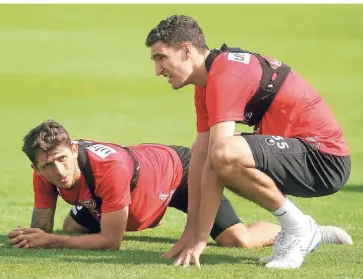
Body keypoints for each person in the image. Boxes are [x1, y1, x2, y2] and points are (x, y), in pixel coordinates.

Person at [144, 15, 352, 269]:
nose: (157, 70)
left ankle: (299, 229)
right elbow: (200, 159)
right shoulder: (207, 82)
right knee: (205, 149)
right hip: (299, 151)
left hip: (324, 159)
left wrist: (200, 239)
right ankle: (302, 228)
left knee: (224, 153)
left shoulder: (225, 75)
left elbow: (218, 157)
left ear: (186, 50)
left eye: (161, 57)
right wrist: (190, 232)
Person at [6, 120, 351, 251]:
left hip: (179, 174)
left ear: (75, 150)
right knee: (72, 227)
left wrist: (52, 241)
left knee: (237, 241)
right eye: (47, 166)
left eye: (62, 160)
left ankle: (308, 230)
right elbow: (42, 229)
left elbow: (112, 241)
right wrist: (38, 237)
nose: (57, 171)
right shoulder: (44, 172)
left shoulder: (108, 168)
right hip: (130, 185)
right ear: (35, 166)